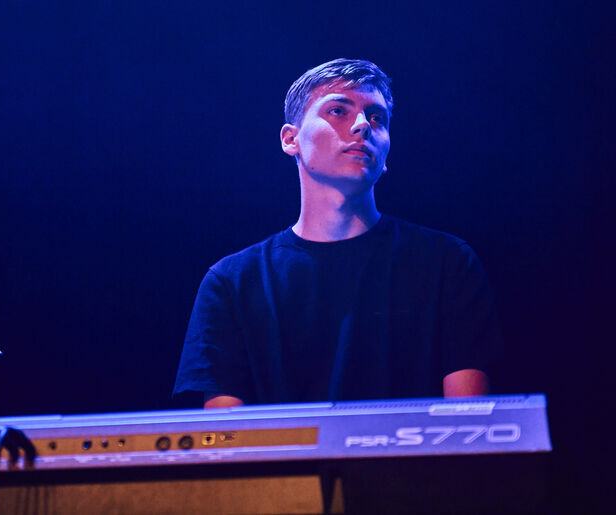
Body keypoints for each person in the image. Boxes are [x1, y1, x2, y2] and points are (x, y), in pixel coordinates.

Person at [173, 58, 502, 409]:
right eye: (338, 111)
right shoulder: (232, 282)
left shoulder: (448, 263)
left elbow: (471, 426)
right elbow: (227, 438)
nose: (362, 126)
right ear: (291, 139)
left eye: (377, 118)